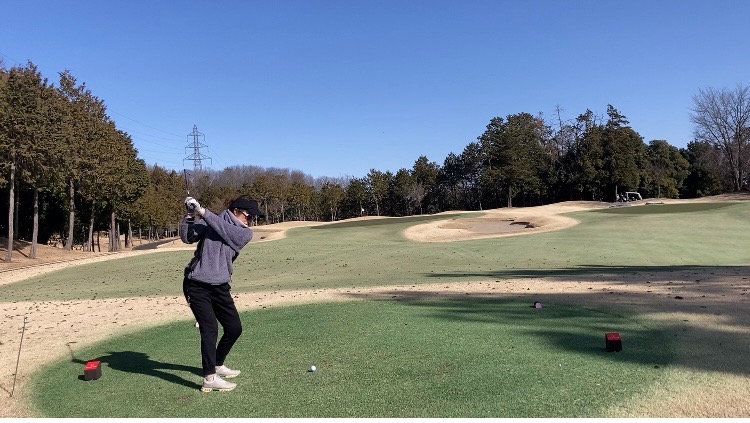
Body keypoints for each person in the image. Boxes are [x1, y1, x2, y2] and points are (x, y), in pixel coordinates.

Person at [180, 195, 264, 392]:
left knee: (234, 328)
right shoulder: (211, 221)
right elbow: (187, 237)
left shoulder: (244, 233)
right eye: (249, 215)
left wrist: (203, 212)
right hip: (197, 284)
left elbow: (225, 230)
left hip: (220, 286)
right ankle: (209, 377)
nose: (251, 220)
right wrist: (190, 215)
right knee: (210, 329)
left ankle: (217, 363)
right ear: (235, 211)